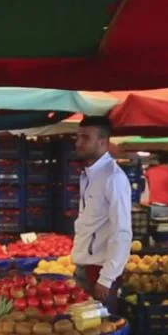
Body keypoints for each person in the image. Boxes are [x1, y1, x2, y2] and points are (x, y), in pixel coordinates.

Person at [70, 115, 132, 304]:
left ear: (102, 142)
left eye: (86, 138)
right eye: (78, 137)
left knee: (100, 329)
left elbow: (122, 231)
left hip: (98, 271)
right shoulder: (89, 175)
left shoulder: (113, 179)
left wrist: (106, 278)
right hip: (84, 266)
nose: (78, 143)